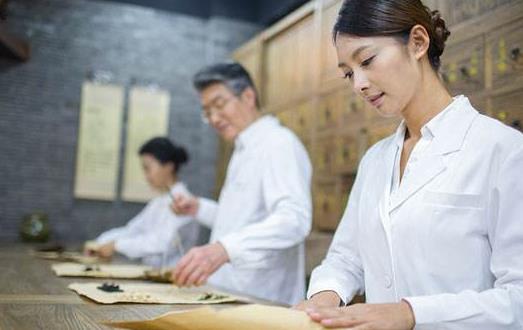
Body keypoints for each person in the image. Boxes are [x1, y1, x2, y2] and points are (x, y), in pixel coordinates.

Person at [295, 1, 523, 329]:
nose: (358, 83)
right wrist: (322, 301)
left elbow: (518, 296)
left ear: (418, 42)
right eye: (348, 73)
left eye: (367, 60)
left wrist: (410, 314)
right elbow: (346, 257)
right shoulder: (375, 160)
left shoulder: (501, 150)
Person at [170, 62, 312, 305]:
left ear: (248, 96)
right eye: (207, 111)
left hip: (264, 300)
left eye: (219, 104)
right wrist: (198, 208)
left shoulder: (279, 144)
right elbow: (240, 221)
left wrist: (225, 249)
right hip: (230, 293)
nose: (214, 118)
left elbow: (294, 220)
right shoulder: (242, 149)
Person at [85, 137, 199, 268]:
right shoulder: (159, 201)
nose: (146, 176)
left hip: (173, 276)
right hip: (154, 275)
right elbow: (133, 230)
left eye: (147, 168)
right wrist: (99, 243)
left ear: (168, 167)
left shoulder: (184, 201)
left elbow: (160, 244)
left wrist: (117, 245)